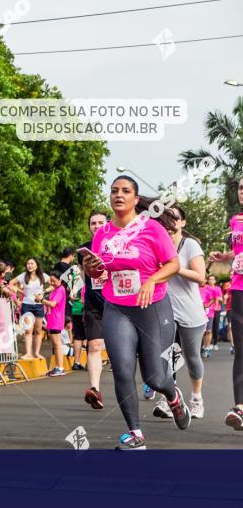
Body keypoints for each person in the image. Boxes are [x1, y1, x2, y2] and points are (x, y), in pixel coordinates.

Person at [82, 176, 188, 451]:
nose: (119, 195)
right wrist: (90, 267)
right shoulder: (102, 234)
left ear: (135, 199)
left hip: (152, 306)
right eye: (114, 190)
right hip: (117, 308)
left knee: (154, 377)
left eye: (125, 191)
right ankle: (135, 433)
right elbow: (98, 273)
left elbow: (173, 263)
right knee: (123, 370)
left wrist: (152, 280)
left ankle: (173, 396)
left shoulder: (150, 228)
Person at [151, 206, 207, 420]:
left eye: (175, 217)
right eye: (166, 217)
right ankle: (169, 399)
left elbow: (200, 276)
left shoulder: (190, 245)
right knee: (168, 356)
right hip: (165, 310)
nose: (170, 221)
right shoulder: (158, 246)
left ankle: (196, 399)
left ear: (183, 222)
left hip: (191, 312)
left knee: (192, 358)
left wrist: (174, 267)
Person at [208, 176, 243, 431]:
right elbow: (237, 252)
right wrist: (226, 256)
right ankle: (239, 408)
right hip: (240, 289)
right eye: (241, 187)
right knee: (241, 349)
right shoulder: (236, 221)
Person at [79, 210, 109, 410]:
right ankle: (94, 389)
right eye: (93, 223)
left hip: (116, 303)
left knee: (125, 350)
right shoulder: (84, 250)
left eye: (100, 222)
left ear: (107, 224)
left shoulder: (116, 245)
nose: (96, 226)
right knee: (95, 345)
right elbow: (84, 277)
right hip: (93, 303)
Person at [9, 258, 50, 360]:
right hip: (26, 305)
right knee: (28, 330)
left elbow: (55, 284)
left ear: (36, 265)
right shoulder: (23, 276)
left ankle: (36, 353)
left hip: (39, 305)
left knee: (38, 330)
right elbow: (10, 283)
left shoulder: (43, 276)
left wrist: (44, 292)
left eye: (32, 263)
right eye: (28, 263)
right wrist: (19, 291)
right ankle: (28, 353)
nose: (29, 265)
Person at [42, 271, 67, 376]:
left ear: (60, 280)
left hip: (56, 319)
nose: (51, 283)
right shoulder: (56, 289)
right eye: (50, 281)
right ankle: (58, 366)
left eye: (54, 281)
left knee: (57, 344)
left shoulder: (60, 290)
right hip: (52, 319)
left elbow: (52, 304)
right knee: (55, 344)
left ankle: (60, 367)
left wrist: (42, 300)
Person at [200, 275, 222, 358]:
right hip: (199, 313)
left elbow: (214, 299)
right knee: (202, 331)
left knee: (208, 331)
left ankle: (207, 348)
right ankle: (202, 346)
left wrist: (207, 306)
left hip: (209, 312)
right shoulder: (196, 289)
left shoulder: (212, 289)